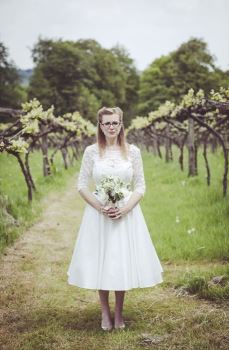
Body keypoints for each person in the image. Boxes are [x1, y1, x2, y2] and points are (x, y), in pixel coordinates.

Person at [67, 106, 164, 331]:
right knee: (102, 261)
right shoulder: (91, 151)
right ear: (100, 126)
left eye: (115, 122)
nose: (111, 126)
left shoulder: (133, 152)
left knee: (120, 262)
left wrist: (126, 208)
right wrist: (101, 207)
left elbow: (140, 186)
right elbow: (81, 185)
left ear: (121, 124)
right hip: (100, 214)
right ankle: (104, 313)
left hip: (125, 214)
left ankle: (119, 314)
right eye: (107, 123)